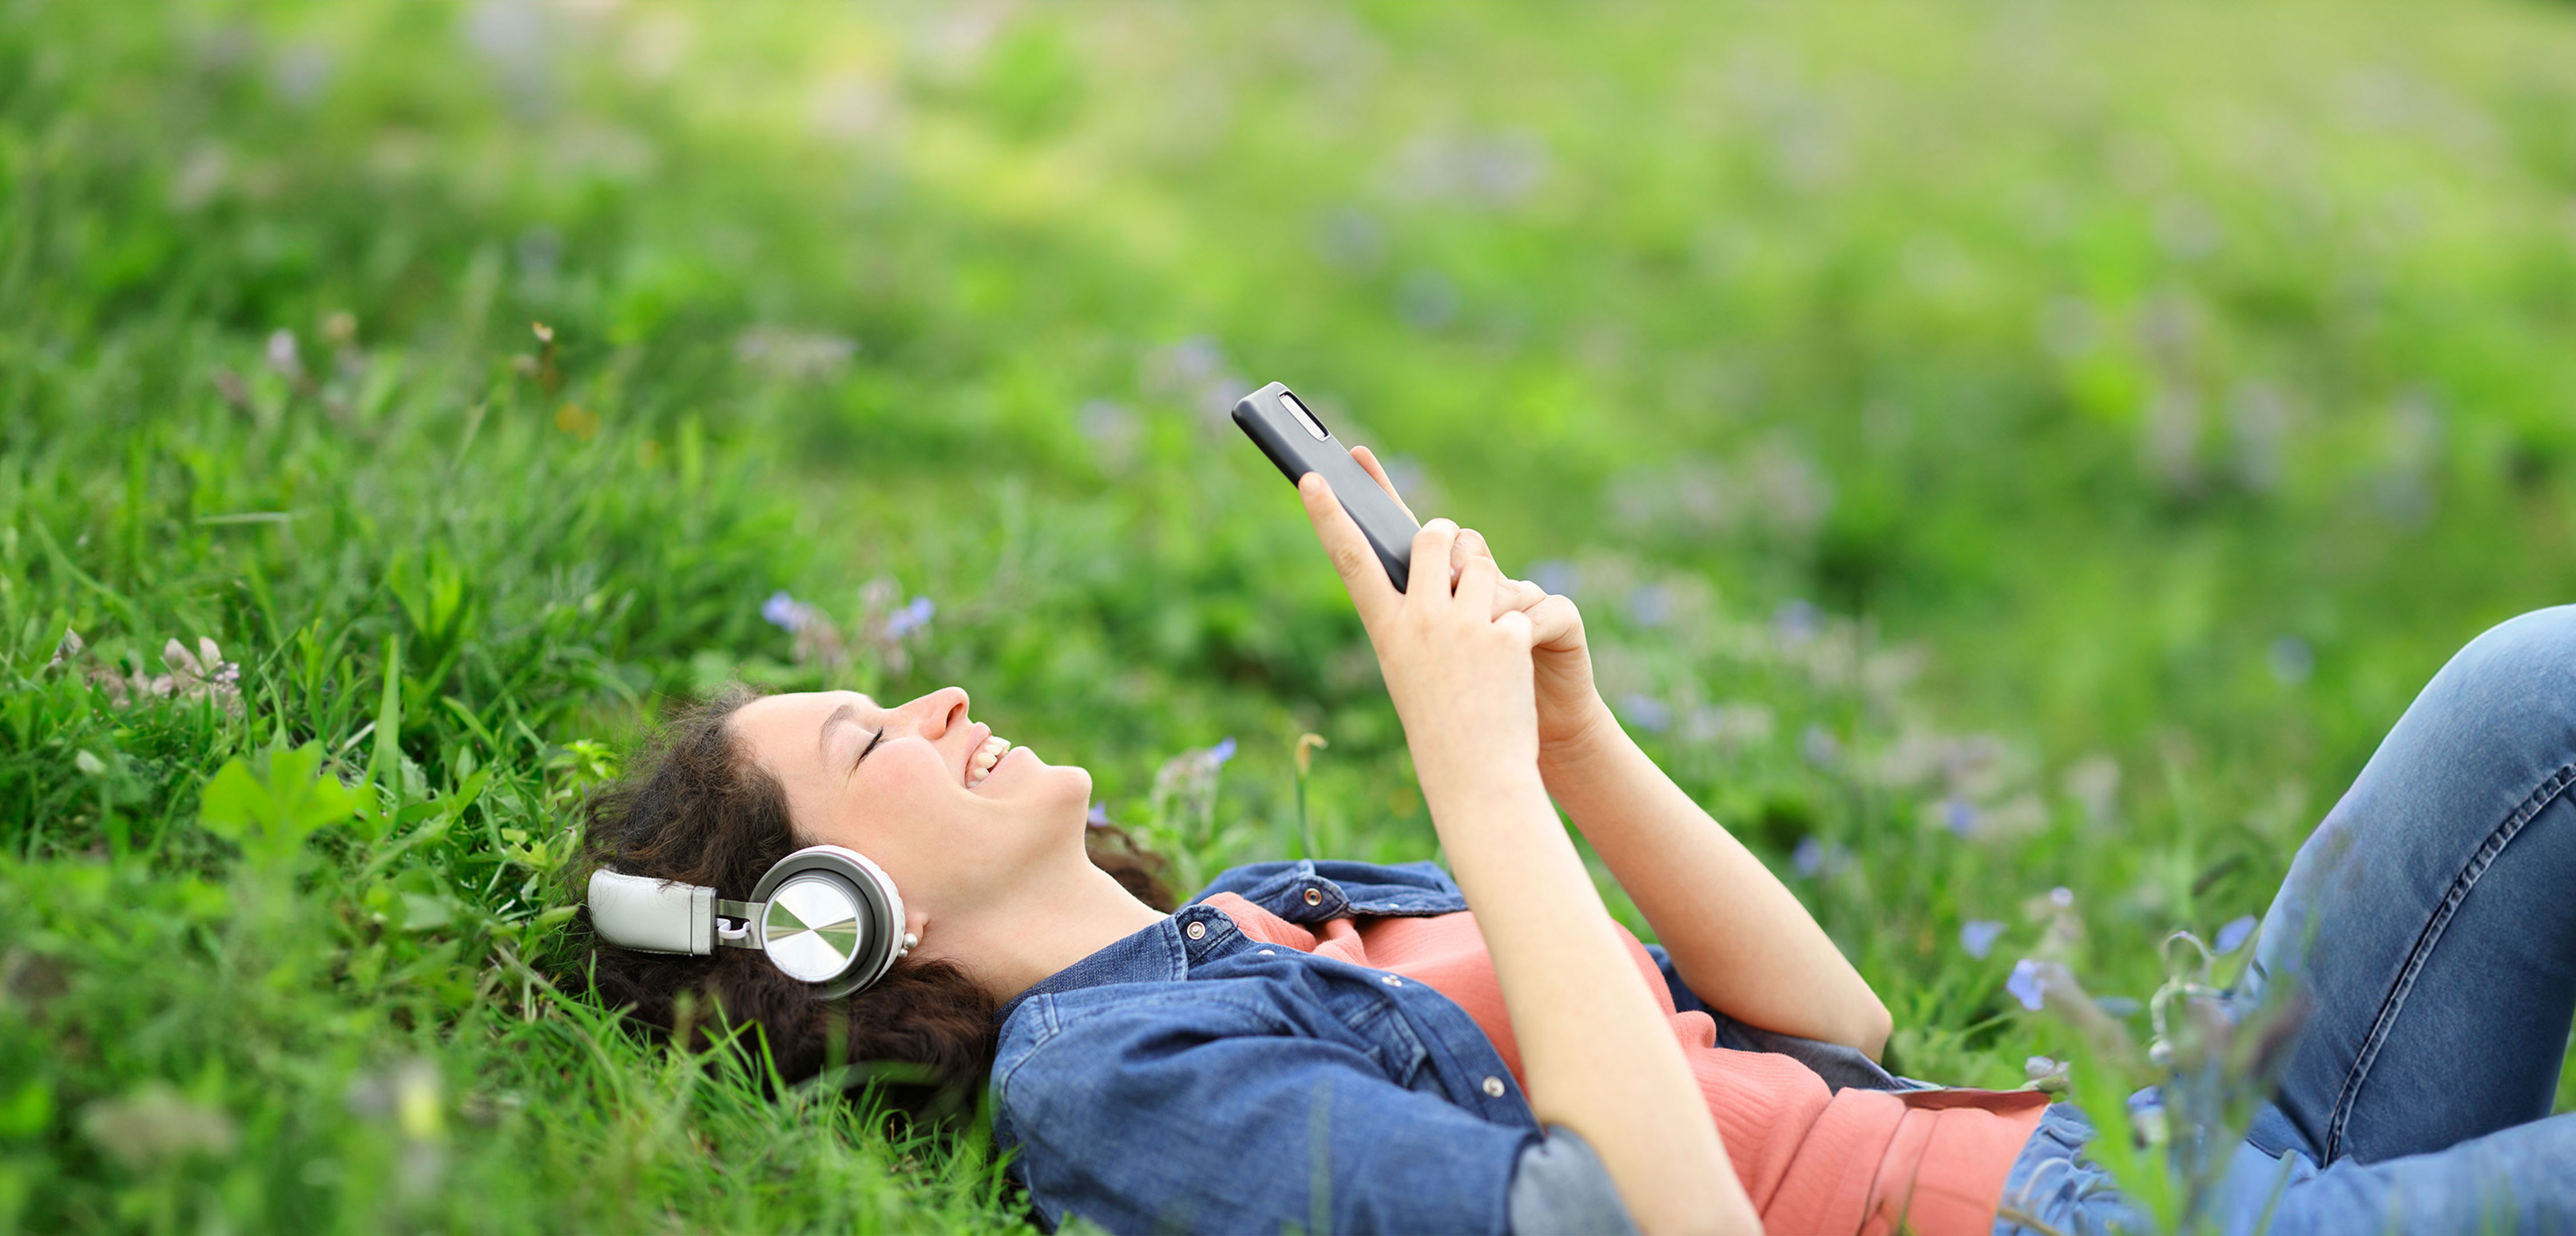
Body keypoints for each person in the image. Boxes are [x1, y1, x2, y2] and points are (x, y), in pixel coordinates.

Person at [577, 450, 2576, 1234]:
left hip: (2129, 1127)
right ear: (845, 919)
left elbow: (1835, 1028)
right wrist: (1483, 797)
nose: (928, 698)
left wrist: (1574, 740)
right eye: (866, 738)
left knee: (2530, 692)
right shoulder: (1120, 1083)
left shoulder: (1279, 921)